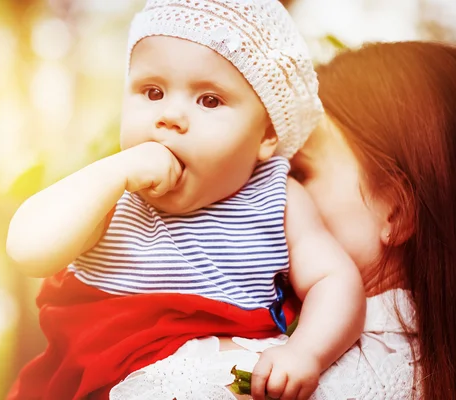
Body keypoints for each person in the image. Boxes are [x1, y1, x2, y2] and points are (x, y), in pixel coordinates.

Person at [6, 1, 366, 399]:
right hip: (98, 382)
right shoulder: (111, 194)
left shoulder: (278, 197)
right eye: (152, 92)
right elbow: (28, 250)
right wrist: (112, 174)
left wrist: (306, 352)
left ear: (266, 135)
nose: (170, 117)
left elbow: (334, 281)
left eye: (209, 100)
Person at [139, 40, 454, 400]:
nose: (268, 191)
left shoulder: (273, 375)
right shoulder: (425, 364)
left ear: (396, 210)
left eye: (299, 173)